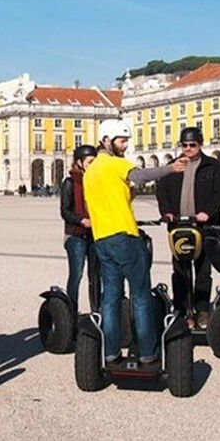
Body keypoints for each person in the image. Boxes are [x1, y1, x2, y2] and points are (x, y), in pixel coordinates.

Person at [84, 119, 187, 365]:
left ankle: (111, 352)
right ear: (107, 140)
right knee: (140, 296)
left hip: (102, 239)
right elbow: (140, 176)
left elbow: (110, 199)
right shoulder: (115, 163)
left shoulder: (91, 171)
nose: (126, 146)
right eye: (122, 141)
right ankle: (148, 352)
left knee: (110, 297)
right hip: (125, 237)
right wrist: (171, 168)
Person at [155, 126, 220, 328]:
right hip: (179, 227)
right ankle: (182, 309)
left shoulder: (212, 166)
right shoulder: (173, 166)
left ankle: (202, 309)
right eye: (184, 145)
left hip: (205, 227)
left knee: (203, 270)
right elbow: (161, 191)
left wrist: (208, 212)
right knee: (180, 270)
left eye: (192, 145)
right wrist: (167, 212)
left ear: (200, 144)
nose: (188, 149)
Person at [60, 144, 100, 310]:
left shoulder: (97, 182)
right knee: (76, 275)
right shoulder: (70, 183)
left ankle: (96, 311)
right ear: (79, 162)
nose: (94, 165)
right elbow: (65, 211)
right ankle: (71, 312)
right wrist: (81, 220)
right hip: (75, 236)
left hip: (95, 234)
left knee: (96, 276)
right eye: (90, 162)